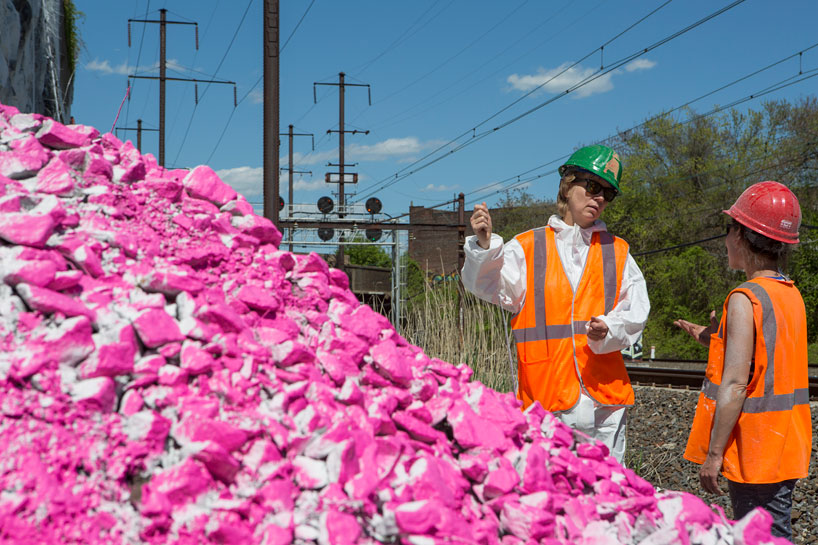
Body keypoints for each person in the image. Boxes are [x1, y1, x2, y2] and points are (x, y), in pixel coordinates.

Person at [461, 144, 650, 463]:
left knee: (606, 500)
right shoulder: (528, 246)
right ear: (567, 185)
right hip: (548, 404)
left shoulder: (617, 252)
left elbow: (636, 311)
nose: (599, 197)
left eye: (607, 192)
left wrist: (611, 328)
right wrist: (484, 245)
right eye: (592, 186)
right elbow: (486, 285)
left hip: (605, 405)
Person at [676, 181, 811, 540]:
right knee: (776, 530)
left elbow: (736, 383)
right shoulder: (790, 294)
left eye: (729, 229)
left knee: (759, 537)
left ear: (741, 236)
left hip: (755, 449)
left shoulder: (744, 297)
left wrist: (714, 455)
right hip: (787, 441)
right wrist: (708, 336)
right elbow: (766, 359)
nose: (726, 240)